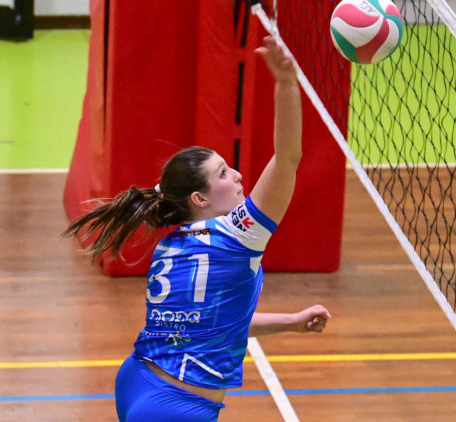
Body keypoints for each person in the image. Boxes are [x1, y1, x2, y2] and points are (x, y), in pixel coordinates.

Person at [63, 36, 332, 422]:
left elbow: (211, 323)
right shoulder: (237, 235)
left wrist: (290, 323)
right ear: (199, 198)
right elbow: (288, 158)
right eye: (222, 173)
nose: (237, 176)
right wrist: (286, 83)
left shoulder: (170, 245)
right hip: (177, 407)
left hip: (138, 380)